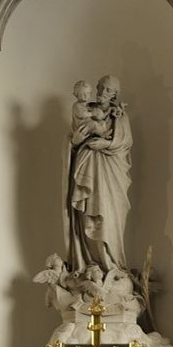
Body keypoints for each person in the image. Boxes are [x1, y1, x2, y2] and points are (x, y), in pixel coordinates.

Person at [66, 75, 132, 274]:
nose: (102, 92)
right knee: (89, 216)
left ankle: (113, 265)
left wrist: (106, 144)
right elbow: (73, 139)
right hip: (87, 167)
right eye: (100, 88)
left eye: (108, 90)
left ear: (114, 94)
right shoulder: (85, 109)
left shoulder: (120, 116)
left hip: (112, 174)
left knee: (109, 216)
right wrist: (75, 141)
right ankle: (90, 265)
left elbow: (125, 143)